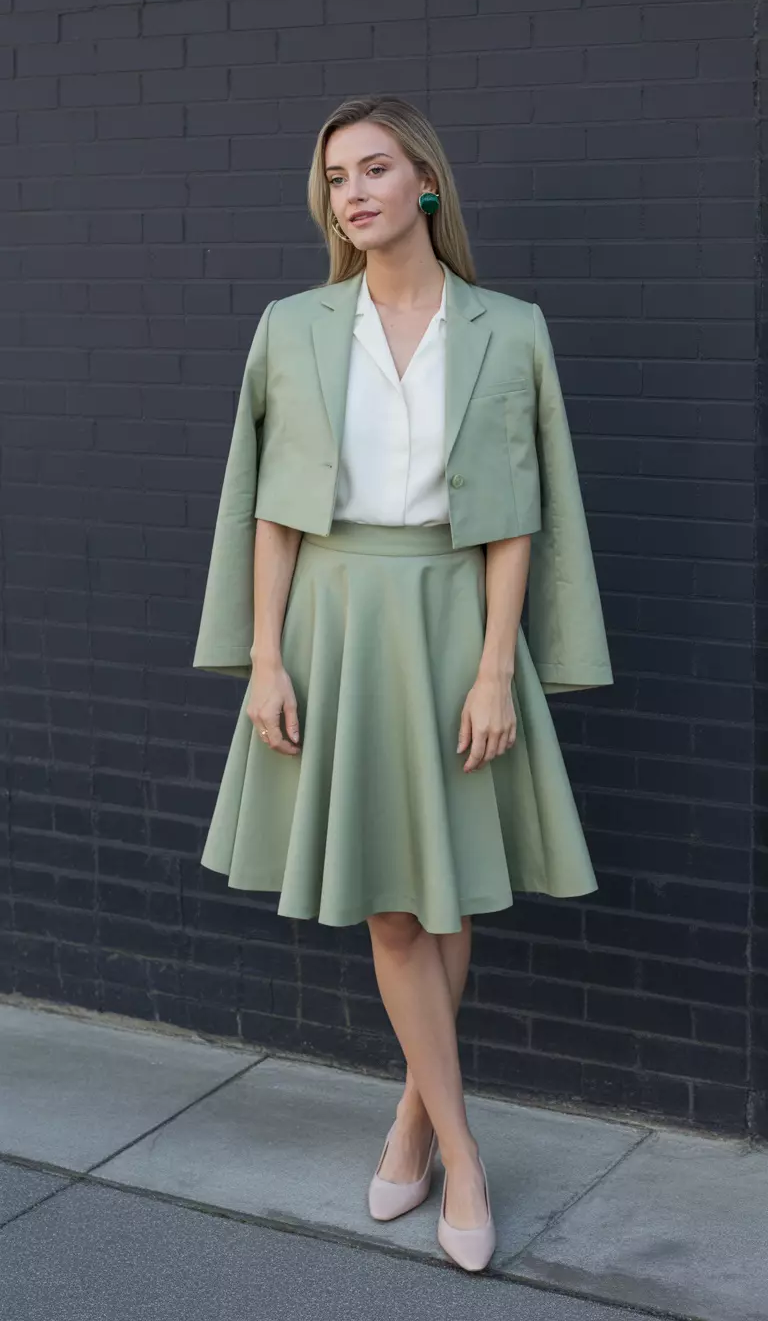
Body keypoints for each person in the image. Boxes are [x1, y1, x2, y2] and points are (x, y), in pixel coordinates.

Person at [192, 95, 613, 1273]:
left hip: (449, 619)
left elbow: (517, 519)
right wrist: (266, 657)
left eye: (375, 170)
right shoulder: (293, 327)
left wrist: (494, 668)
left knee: (449, 894)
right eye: (335, 178)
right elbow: (271, 513)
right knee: (391, 903)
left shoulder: (508, 329)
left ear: (424, 182)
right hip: (333, 616)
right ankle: (463, 1148)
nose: (354, 193)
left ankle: (413, 1116)